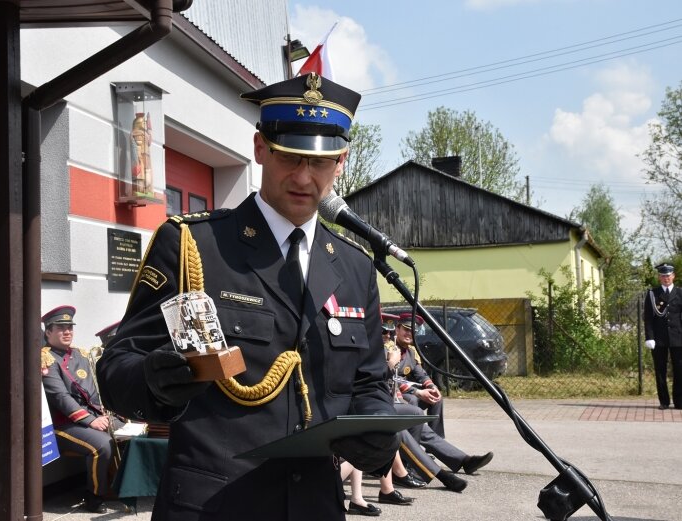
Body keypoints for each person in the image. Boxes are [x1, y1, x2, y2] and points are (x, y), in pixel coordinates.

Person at [96, 72, 400, 521]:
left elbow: (369, 382)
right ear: (260, 149)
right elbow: (117, 369)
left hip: (316, 507)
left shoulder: (354, 267)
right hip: (213, 507)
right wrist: (153, 380)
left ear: (341, 163)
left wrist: (376, 435)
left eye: (318, 163)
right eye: (288, 156)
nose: (302, 176)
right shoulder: (193, 246)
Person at [40, 305, 124, 514]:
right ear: (48, 331)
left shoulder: (81, 355)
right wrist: (90, 420)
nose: (67, 331)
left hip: (90, 418)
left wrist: (107, 412)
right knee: (102, 444)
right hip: (63, 425)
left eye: (70, 327)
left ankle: (122, 486)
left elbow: (94, 388)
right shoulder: (46, 359)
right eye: (61, 327)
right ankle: (95, 496)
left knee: (128, 428)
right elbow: (60, 397)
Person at [391, 312, 493, 475]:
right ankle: (423, 456)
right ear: (396, 329)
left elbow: (420, 374)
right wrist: (417, 392)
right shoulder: (388, 348)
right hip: (390, 397)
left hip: (402, 395)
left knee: (436, 399)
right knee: (412, 401)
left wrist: (431, 387)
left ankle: (437, 448)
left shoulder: (410, 352)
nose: (409, 333)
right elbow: (389, 379)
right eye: (406, 329)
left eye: (413, 331)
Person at [643, 263, 682, 410]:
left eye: (668, 275)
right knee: (660, 371)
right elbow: (648, 318)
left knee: (679, 370)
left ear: (673, 276)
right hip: (659, 339)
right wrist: (649, 337)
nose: (666, 278)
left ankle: (679, 401)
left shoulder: (680, 293)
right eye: (663, 275)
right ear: (659, 277)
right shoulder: (653, 294)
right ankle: (664, 401)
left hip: (678, 338)